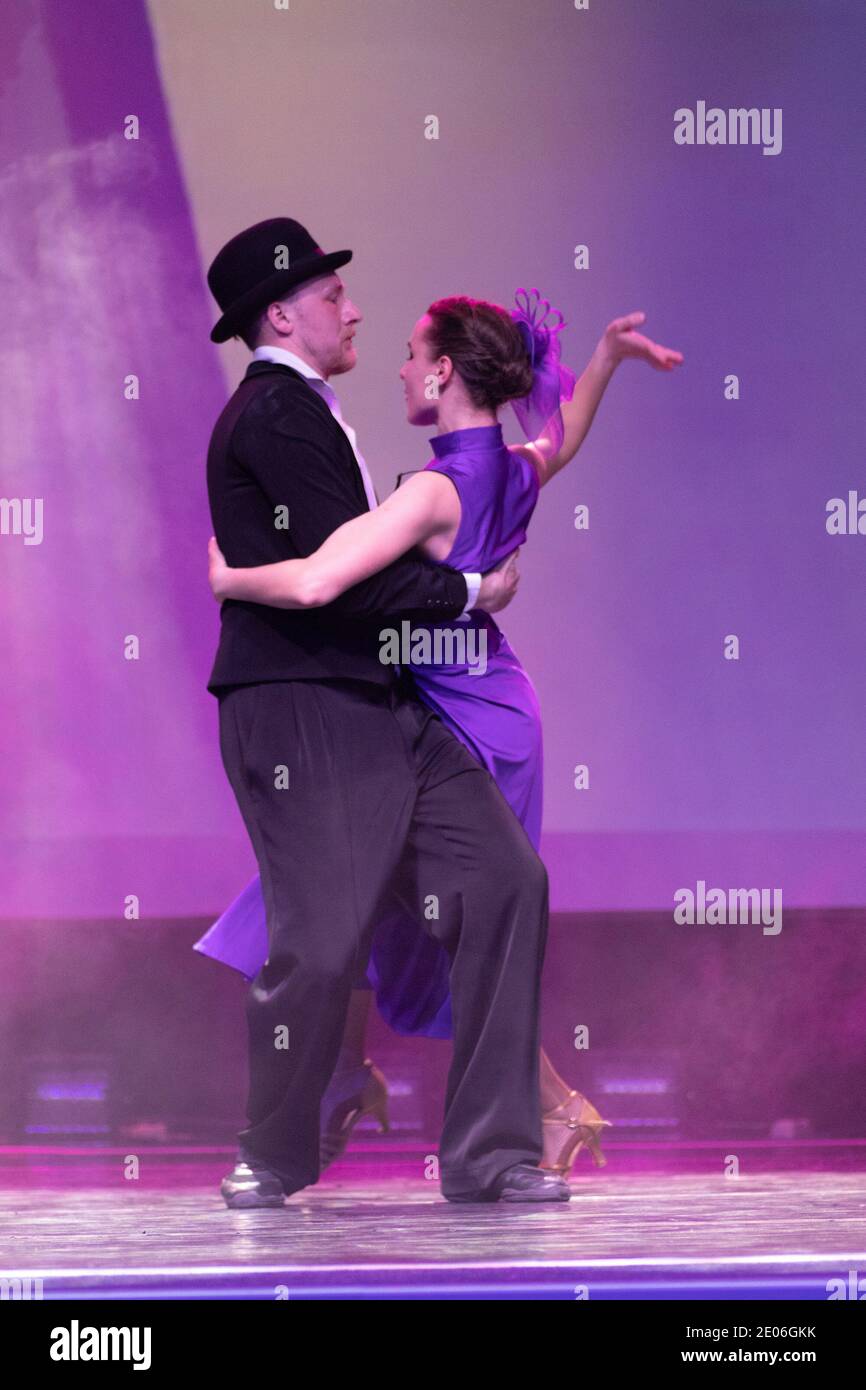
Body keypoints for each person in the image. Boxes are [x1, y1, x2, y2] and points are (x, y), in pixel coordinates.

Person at [198, 266, 684, 1179]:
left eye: (413, 355)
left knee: (385, 906)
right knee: (410, 902)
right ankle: (369, 1092)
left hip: (440, 709)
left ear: (444, 374)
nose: (396, 366)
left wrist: (228, 581)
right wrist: (609, 358)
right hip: (497, 700)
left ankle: (496, 1112)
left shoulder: (429, 494)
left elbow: (315, 581)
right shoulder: (512, 469)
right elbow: (562, 436)